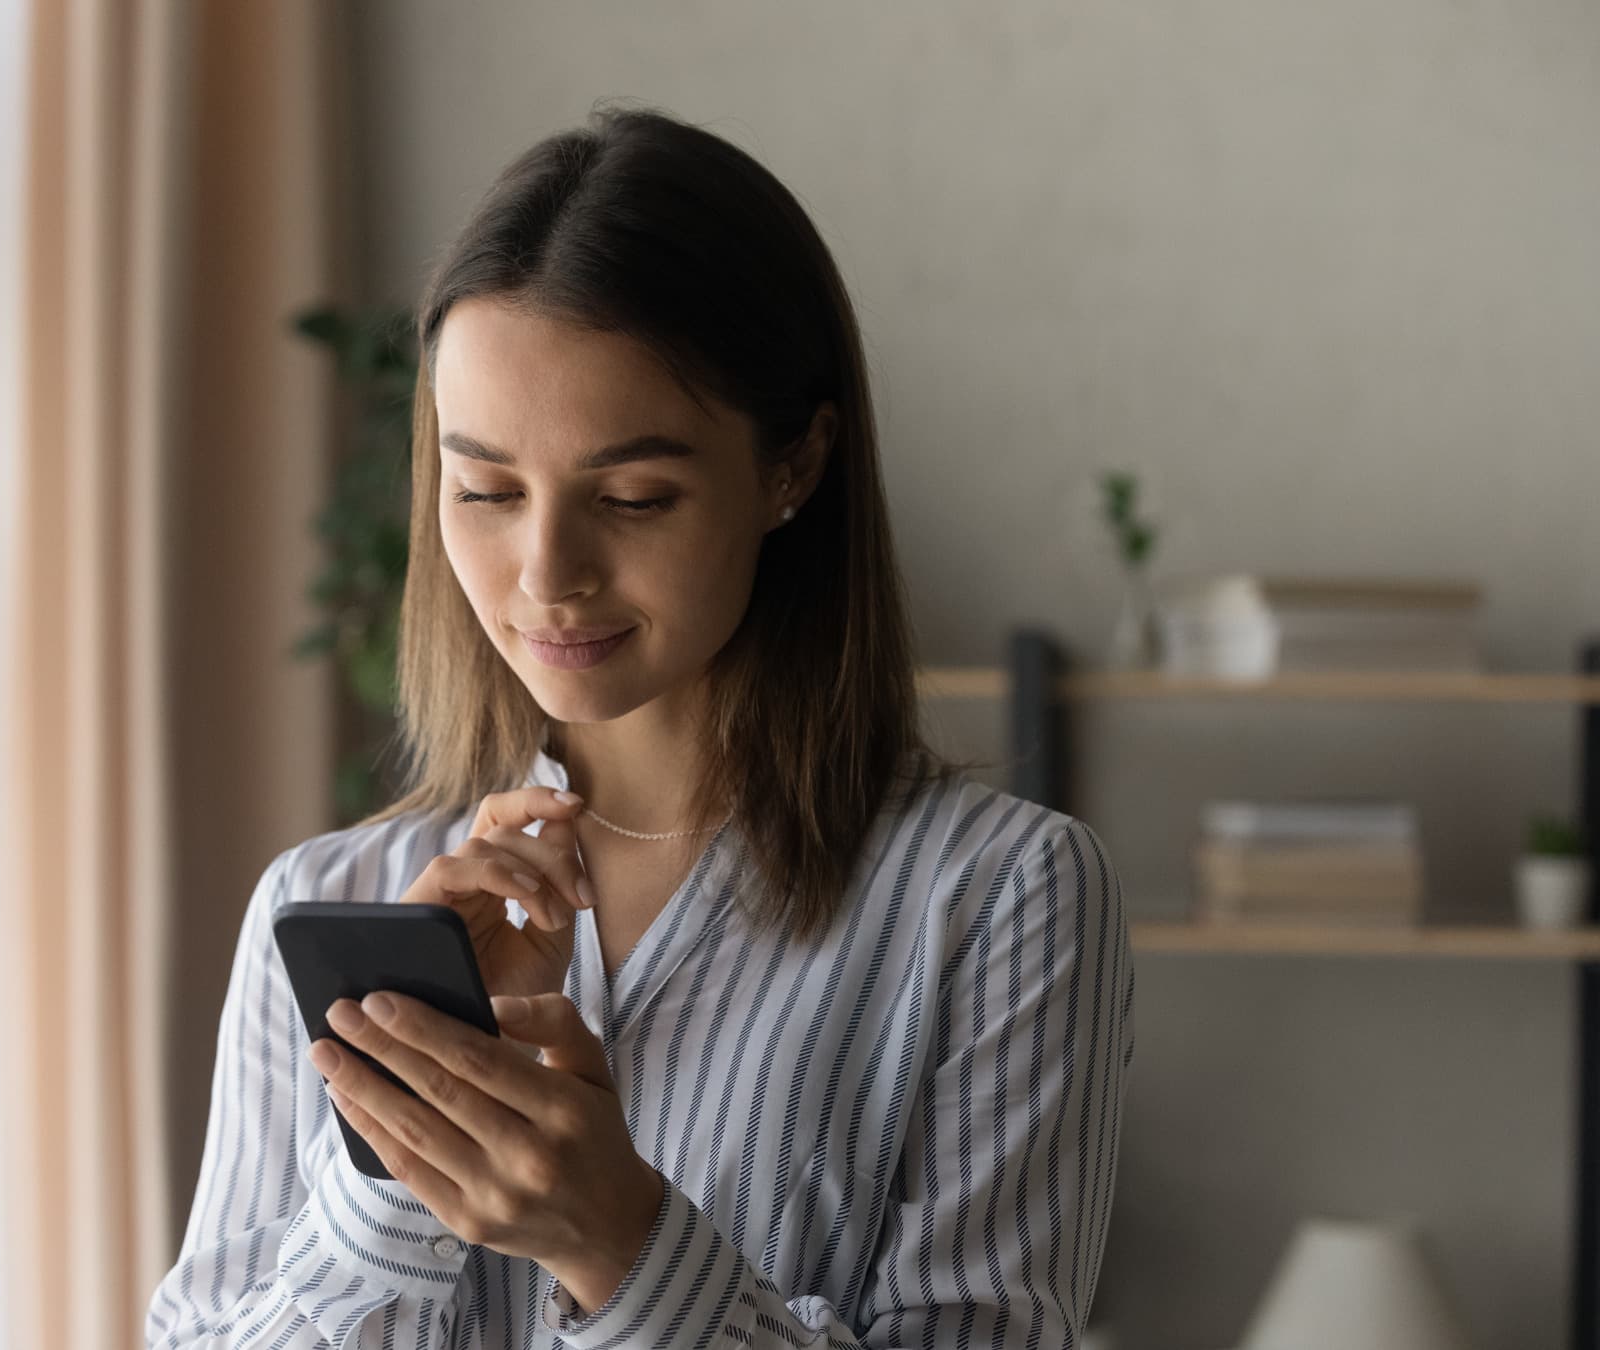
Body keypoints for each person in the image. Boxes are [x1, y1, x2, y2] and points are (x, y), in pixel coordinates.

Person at [145, 102, 1136, 1350]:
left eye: (630, 495)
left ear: (794, 466)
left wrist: (615, 1244)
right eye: (485, 490)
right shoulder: (329, 900)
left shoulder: (997, 898)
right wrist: (387, 1176)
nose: (545, 571)